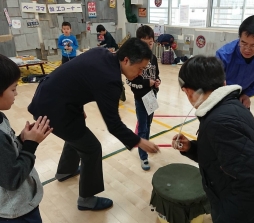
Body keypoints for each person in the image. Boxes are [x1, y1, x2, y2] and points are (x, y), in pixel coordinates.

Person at [27, 38, 160, 211]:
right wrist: (139, 141)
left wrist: (78, 105)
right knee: (92, 148)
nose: (141, 74)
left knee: (77, 132)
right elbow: (114, 124)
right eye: (140, 68)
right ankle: (86, 199)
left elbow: (75, 76)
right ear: (126, 60)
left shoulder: (102, 53)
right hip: (54, 109)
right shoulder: (111, 81)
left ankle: (65, 171)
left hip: (50, 95)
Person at [171, 55, 254, 223]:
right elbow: (222, 157)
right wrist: (191, 148)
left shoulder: (220, 122)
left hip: (247, 214)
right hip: (246, 204)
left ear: (189, 92)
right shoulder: (229, 106)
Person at [0, 54, 53, 223]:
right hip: (15, 213)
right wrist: (31, 145)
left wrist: (21, 140)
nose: (16, 93)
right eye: (13, 88)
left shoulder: (1, 117)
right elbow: (13, 178)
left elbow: (5, 156)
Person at [216, 15, 254, 108]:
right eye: (243, 43)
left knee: (244, 121)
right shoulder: (224, 55)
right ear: (239, 37)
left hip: (243, 94)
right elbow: (213, 83)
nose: (247, 49)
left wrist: (247, 94)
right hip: (221, 95)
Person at [126, 25, 161, 170]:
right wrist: (148, 82)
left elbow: (156, 74)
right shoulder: (134, 60)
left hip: (152, 97)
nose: (148, 46)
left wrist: (157, 81)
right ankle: (143, 156)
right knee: (142, 127)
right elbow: (131, 81)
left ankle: (145, 145)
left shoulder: (153, 58)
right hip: (141, 98)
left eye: (150, 43)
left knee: (148, 125)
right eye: (144, 43)